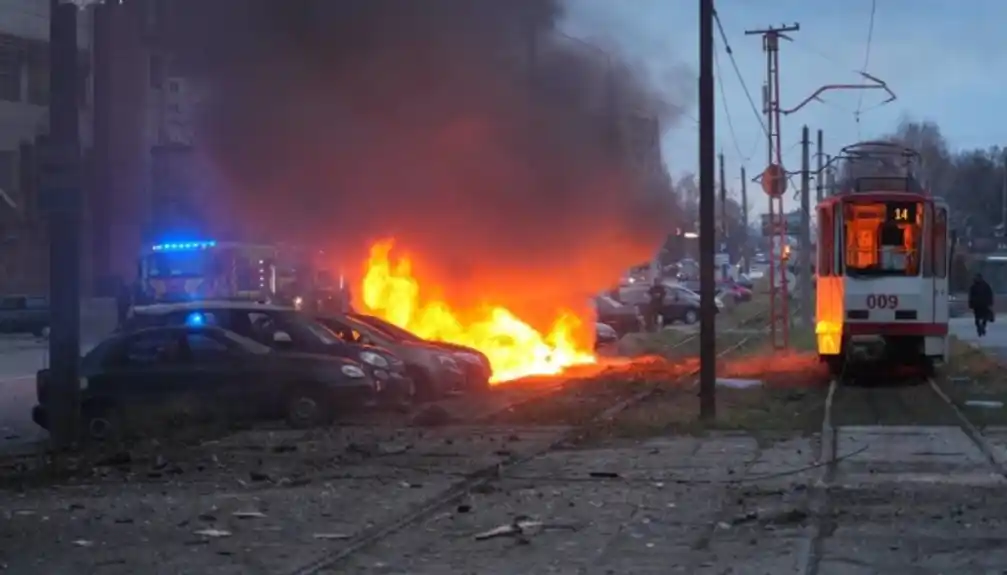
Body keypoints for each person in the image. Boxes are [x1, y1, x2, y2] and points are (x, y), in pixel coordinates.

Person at [969, 273, 994, 337]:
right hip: (981, 304)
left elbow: (971, 296)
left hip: (979, 305)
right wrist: (990, 303)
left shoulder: (974, 286)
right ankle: (981, 328)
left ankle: (980, 328)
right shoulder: (985, 286)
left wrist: (971, 304)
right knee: (982, 318)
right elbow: (990, 295)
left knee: (979, 318)